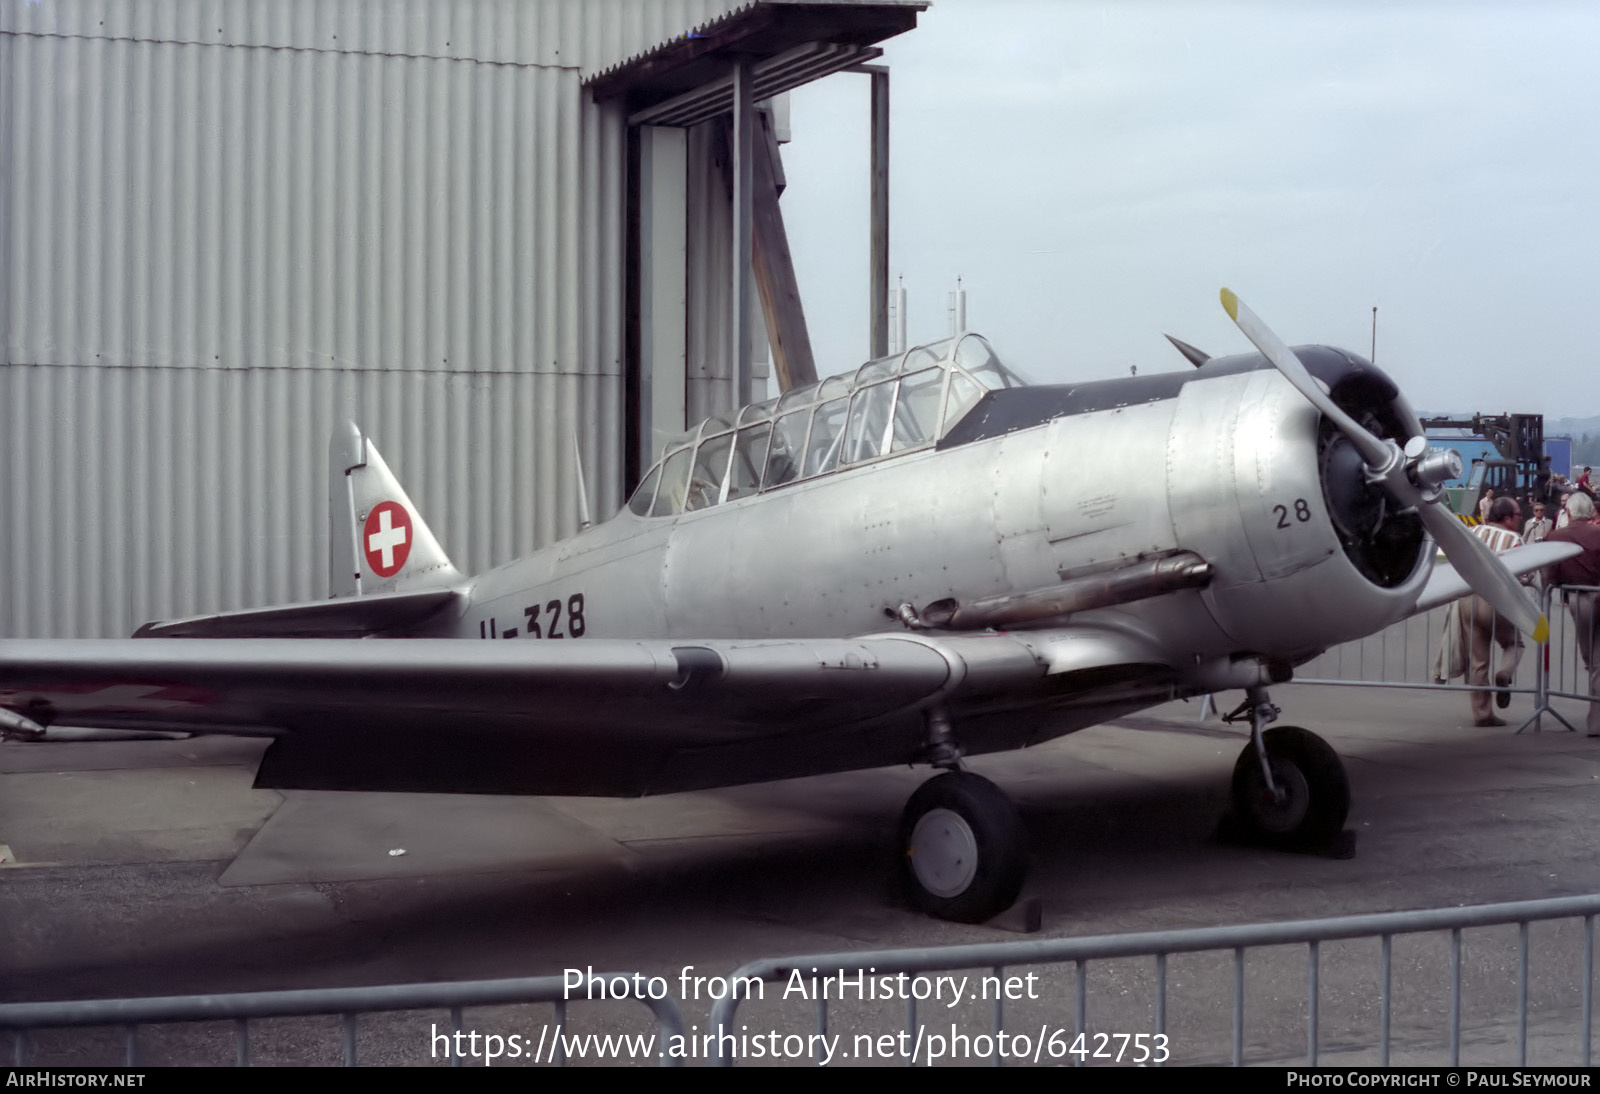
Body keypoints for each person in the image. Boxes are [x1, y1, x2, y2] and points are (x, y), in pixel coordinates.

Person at [1464, 495, 1525, 726]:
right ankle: (1504, 674)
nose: (1520, 518)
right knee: (1514, 644)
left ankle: (1482, 714)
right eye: (1518, 514)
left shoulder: (1474, 532)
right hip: (1498, 600)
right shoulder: (1514, 539)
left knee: (1478, 660)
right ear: (1508, 518)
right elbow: (1524, 573)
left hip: (1467, 598)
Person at [1543, 492, 1600, 736]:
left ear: (1568, 513)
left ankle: (1596, 721)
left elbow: (1549, 575)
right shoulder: (1597, 535)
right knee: (1596, 660)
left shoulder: (1555, 537)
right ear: (1591, 513)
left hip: (1577, 599)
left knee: (1592, 658)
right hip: (1595, 592)